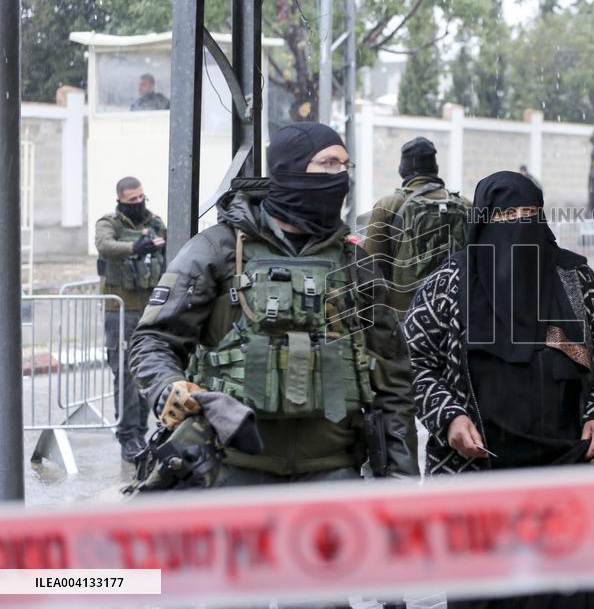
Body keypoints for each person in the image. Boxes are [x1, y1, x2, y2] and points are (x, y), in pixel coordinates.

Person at [129, 122, 418, 488]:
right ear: (290, 170)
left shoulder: (355, 263)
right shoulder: (218, 250)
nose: (340, 176)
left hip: (334, 472)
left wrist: (402, 481)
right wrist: (168, 388)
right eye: (328, 164)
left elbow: (394, 381)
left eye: (345, 166)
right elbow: (153, 340)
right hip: (232, 469)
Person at [403, 171, 594, 608]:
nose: (521, 224)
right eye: (508, 215)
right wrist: (448, 416)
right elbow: (412, 363)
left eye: (531, 214)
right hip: (479, 475)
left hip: (562, 467)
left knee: (571, 594)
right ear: (485, 222)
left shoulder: (574, 278)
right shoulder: (448, 283)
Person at [95, 177, 166, 462]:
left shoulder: (156, 223)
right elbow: (105, 246)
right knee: (124, 373)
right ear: (120, 201)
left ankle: (141, 430)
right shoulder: (109, 223)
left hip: (150, 310)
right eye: (131, 200)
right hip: (120, 310)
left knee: (147, 370)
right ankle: (127, 436)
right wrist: (137, 248)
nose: (138, 203)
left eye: (140, 198)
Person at [363, 136, 468, 316]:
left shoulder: (388, 206)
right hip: (456, 316)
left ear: (403, 170)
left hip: (407, 317)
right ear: (435, 168)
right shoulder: (466, 205)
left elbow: (371, 268)